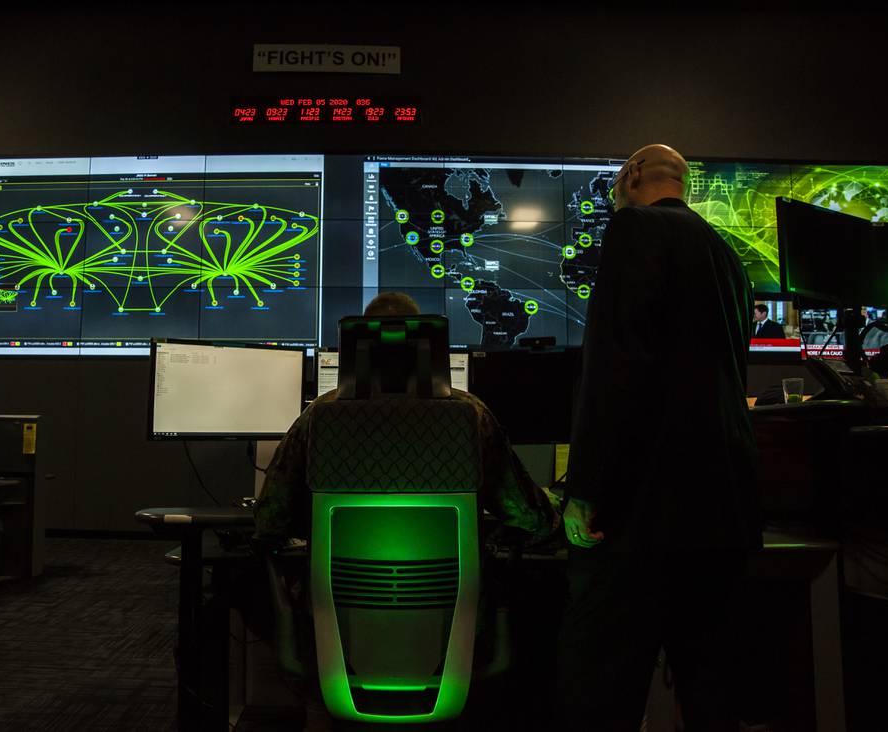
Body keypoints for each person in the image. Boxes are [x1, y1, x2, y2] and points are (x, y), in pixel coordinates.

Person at [558, 145, 759, 730]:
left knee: (598, 687)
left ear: (629, 178)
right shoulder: (728, 255)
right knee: (708, 689)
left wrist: (587, 488)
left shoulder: (634, 226)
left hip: (646, 507)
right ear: (687, 185)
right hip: (725, 505)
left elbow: (615, 363)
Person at [255, 291, 559, 542]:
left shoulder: (320, 415)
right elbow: (530, 518)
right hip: (450, 592)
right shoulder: (469, 414)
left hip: (341, 592)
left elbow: (270, 517)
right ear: (429, 345)